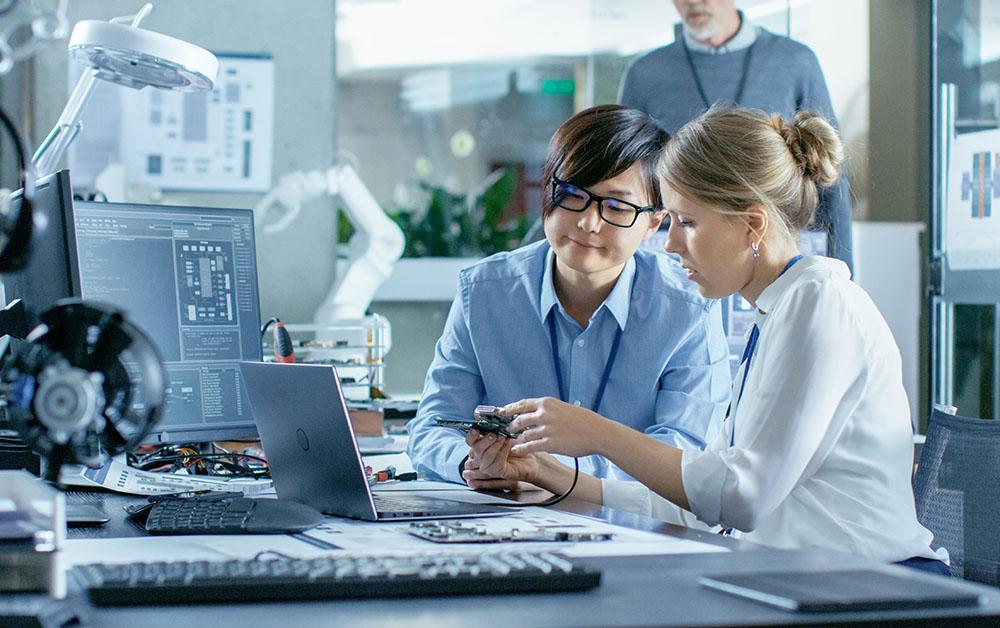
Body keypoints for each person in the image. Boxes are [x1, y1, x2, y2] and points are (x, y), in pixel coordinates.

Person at [464, 107, 948, 574]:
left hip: (874, 588)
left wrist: (595, 432)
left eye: (687, 223)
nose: (671, 244)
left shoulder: (821, 304)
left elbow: (740, 499)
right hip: (804, 582)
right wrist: (555, 476)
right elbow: (706, 504)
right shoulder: (777, 311)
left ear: (753, 226)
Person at [406, 104, 731, 486]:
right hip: (507, 522)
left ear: (653, 223)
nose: (586, 222)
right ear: (548, 189)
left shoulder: (689, 307)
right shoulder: (483, 293)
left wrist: (552, 474)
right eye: (573, 193)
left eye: (616, 206)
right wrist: (470, 463)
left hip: (632, 529)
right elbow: (430, 426)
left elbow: (686, 449)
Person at [619, 0, 853, 270]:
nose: (692, 2)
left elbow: (830, 176)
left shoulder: (795, 62)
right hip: (678, 258)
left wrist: (841, 270)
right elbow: (627, 179)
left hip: (771, 255)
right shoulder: (645, 73)